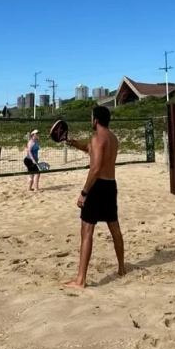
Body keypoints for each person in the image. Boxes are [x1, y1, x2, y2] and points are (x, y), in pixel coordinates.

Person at [63, 106, 125, 289]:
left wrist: (84, 193)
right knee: (114, 228)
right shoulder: (112, 138)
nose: (91, 120)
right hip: (110, 185)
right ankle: (122, 268)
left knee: (86, 231)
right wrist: (73, 142)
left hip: (97, 187)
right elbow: (90, 149)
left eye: (91, 117)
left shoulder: (97, 138)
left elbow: (96, 168)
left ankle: (80, 280)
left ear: (95, 119)